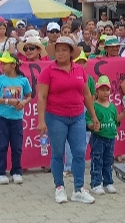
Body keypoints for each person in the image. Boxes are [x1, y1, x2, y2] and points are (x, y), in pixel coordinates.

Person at [36, 36, 100, 204]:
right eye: (58, 50)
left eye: (64, 50)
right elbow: (41, 97)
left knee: (79, 152)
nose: (60, 53)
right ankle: (59, 187)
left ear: (71, 52)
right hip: (56, 117)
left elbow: (86, 94)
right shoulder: (48, 71)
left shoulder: (79, 70)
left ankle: (79, 189)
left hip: (78, 116)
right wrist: (41, 120)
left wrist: (93, 116)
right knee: (58, 153)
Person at [0, 53, 32, 185]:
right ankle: (0, 173)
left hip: (17, 119)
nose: (2, 66)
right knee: (2, 146)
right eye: (1, 63)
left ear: (13, 65)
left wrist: (23, 102)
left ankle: (16, 171)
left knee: (17, 146)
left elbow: (29, 96)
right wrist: (8, 101)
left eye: (5, 63)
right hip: (2, 118)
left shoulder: (23, 80)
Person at [88, 76, 123, 195]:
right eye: (102, 90)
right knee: (97, 159)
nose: (105, 92)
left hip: (110, 138)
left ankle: (108, 182)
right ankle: (96, 183)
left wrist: (124, 113)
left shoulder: (112, 107)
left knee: (108, 160)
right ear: (97, 91)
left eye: (107, 90)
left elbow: (116, 120)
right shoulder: (93, 106)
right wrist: (92, 126)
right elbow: (87, 121)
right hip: (98, 138)